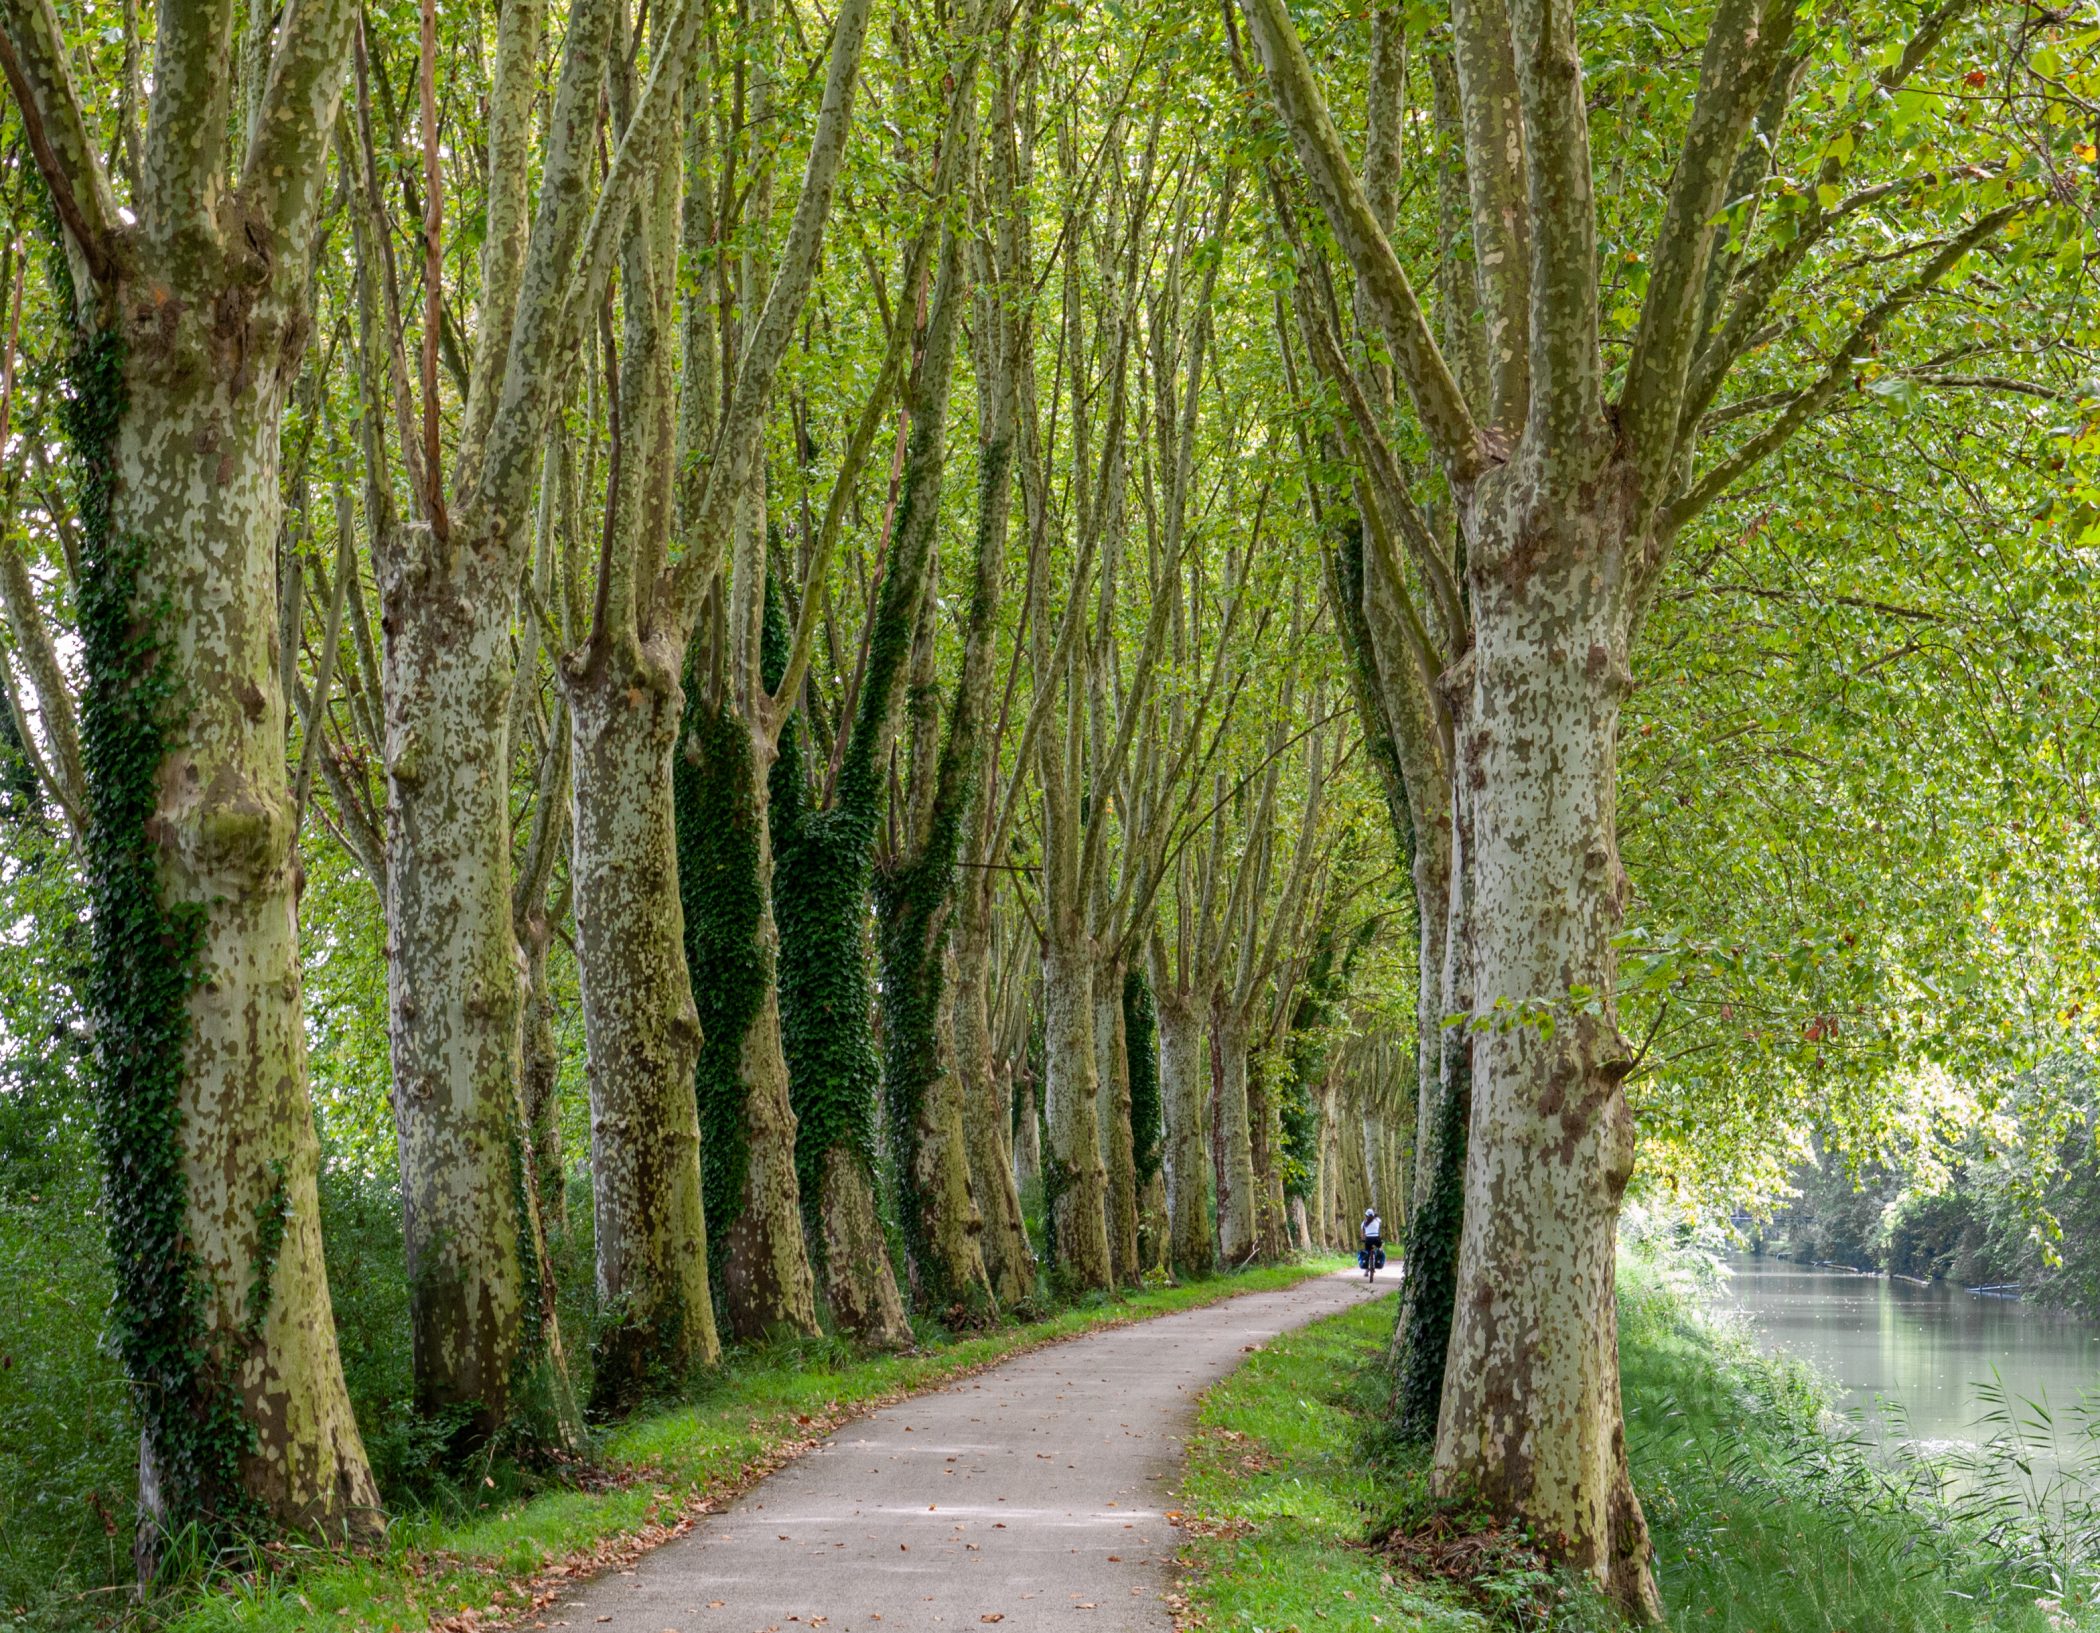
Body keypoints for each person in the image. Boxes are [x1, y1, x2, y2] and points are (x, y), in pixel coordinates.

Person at [1360, 1207, 1383, 1282]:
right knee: (1381, 1245)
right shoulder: (1377, 1220)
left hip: (1368, 1239)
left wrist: (1362, 1239)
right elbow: (1379, 1219)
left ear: (1366, 1215)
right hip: (1376, 1238)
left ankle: (1366, 1270)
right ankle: (1379, 1251)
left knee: (1367, 1252)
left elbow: (1362, 1233)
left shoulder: (1364, 1222)